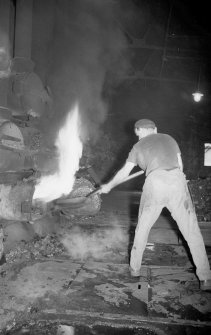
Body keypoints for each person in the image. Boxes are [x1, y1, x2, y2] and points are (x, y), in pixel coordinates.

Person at [99, 119, 211, 290]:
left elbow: (124, 172)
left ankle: (135, 269)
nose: (138, 138)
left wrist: (109, 185)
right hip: (177, 181)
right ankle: (206, 278)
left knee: (142, 228)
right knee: (192, 231)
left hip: (155, 182)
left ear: (139, 131)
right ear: (155, 129)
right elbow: (180, 165)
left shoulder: (138, 147)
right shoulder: (169, 139)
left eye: (138, 134)